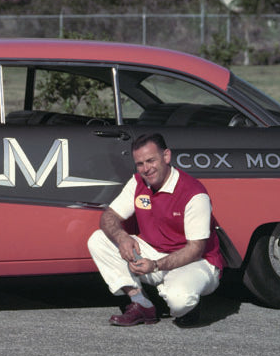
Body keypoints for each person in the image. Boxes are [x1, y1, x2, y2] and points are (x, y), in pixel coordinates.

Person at [87, 132, 225, 328]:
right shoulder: (137, 182)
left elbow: (195, 249)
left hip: (195, 262)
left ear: (166, 156)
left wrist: (156, 266)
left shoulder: (194, 193)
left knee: (179, 301)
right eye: (140, 164)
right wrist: (122, 237)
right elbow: (109, 216)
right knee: (98, 239)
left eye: (151, 160)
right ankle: (141, 304)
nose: (146, 169)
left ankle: (183, 301)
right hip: (154, 256)